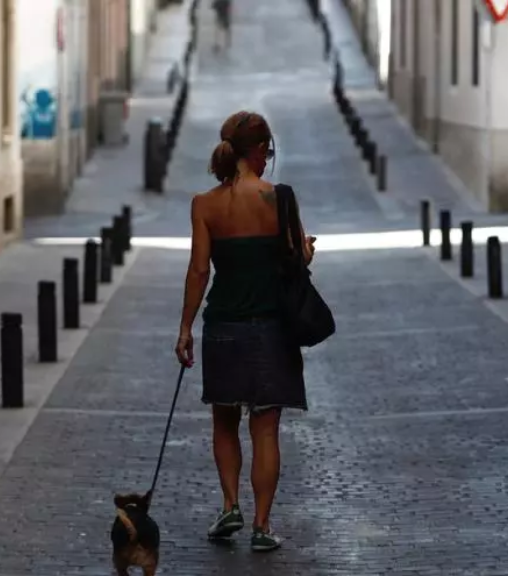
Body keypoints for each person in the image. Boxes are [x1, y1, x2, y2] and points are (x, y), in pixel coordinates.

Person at [175, 111, 316, 552]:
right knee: (266, 430)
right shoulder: (280, 200)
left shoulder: (205, 204)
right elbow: (297, 261)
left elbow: (199, 270)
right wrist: (307, 253)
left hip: (223, 327)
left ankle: (230, 505)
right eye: (268, 151)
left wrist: (185, 327)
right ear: (258, 151)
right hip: (272, 328)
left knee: (224, 422)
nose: (268, 158)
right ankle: (261, 524)